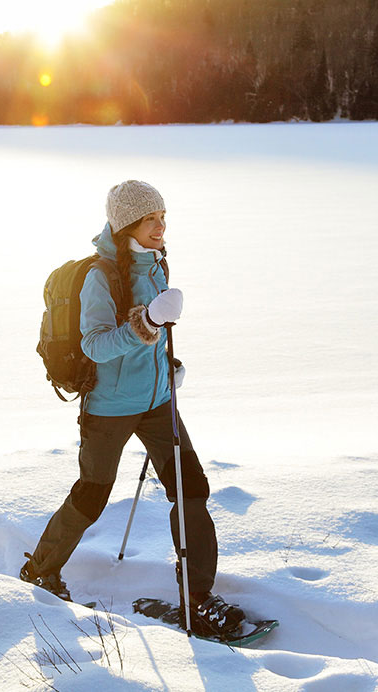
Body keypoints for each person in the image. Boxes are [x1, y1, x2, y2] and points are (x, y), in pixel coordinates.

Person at [20, 180, 245, 637]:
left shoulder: (157, 263)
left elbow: (154, 336)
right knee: (92, 494)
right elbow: (97, 344)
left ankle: (198, 597)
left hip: (159, 402)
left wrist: (166, 364)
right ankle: (41, 570)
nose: (161, 226)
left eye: (163, 217)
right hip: (110, 407)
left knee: (191, 488)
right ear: (128, 225)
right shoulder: (100, 277)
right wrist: (147, 323)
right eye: (150, 219)